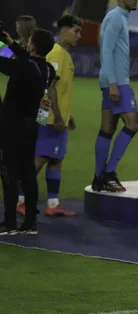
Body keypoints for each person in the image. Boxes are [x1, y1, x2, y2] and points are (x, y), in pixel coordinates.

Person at [17, 15, 82, 218]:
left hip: (57, 117)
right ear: (63, 31)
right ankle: (20, 200)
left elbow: (61, 89)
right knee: (40, 158)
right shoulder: (56, 54)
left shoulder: (64, 54)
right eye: (76, 31)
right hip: (51, 119)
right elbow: (49, 87)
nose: (79, 35)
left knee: (56, 159)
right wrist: (56, 117)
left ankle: (52, 203)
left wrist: (67, 115)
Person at [0, 29, 56, 235]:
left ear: (32, 46)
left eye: (29, 42)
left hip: (11, 126)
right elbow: (29, 61)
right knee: (28, 175)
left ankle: (9, 223)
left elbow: (7, 62)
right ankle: (30, 222)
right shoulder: (47, 69)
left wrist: (7, 47)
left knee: (9, 174)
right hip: (32, 126)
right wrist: (8, 41)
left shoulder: (21, 66)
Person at [93, 0, 138, 193]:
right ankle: (109, 172)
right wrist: (113, 82)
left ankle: (98, 178)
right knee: (133, 124)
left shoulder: (119, 17)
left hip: (111, 80)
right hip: (117, 82)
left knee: (107, 128)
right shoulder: (115, 17)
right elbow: (106, 49)